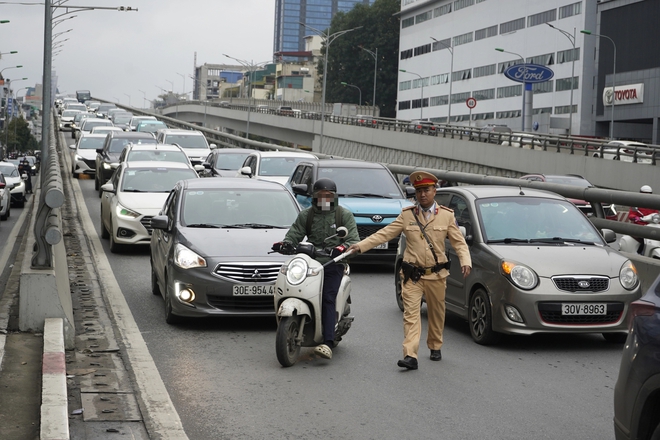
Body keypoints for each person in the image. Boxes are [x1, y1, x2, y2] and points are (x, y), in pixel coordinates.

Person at [347, 171, 472, 370]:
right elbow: (384, 234)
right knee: (411, 316)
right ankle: (410, 355)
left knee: (437, 314)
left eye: (427, 190)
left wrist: (466, 261)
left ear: (434, 191)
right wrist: (360, 246)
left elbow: (459, 242)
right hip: (412, 276)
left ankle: (435, 345)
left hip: (437, 275)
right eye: (419, 190)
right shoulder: (407, 215)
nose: (422, 194)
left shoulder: (447, 216)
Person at [272, 178, 360, 360]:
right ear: (314, 196)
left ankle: (327, 342)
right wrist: (286, 244)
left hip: (333, 263)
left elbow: (353, 240)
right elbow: (295, 233)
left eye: (328, 196)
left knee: (327, 297)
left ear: (334, 197)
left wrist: (343, 248)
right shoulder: (307, 215)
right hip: (310, 263)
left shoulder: (344, 215)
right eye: (321, 195)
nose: (324, 199)